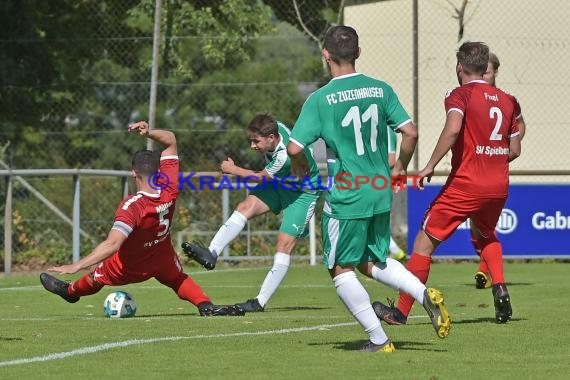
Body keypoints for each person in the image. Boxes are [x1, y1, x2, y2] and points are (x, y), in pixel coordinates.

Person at [286, 25, 451, 353]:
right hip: (379, 190)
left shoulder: (320, 99)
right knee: (369, 259)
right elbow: (411, 133)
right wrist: (401, 165)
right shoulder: (380, 89)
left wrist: (299, 167)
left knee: (338, 267)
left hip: (347, 192)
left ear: (326, 55)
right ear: (358, 53)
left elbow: (293, 148)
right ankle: (422, 294)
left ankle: (379, 340)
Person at [374, 42, 521, 325]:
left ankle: (400, 312)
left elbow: (453, 128)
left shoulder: (460, 94)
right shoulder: (507, 100)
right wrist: (491, 158)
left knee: (423, 243)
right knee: (486, 234)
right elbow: (514, 149)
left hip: (466, 185)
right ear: (485, 66)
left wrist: (429, 165)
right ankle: (499, 285)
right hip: (498, 184)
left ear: (459, 67)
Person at [39, 121, 245, 317]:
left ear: (133, 172)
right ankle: (205, 305)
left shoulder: (133, 206)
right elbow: (171, 139)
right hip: (162, 258)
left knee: (95, 273)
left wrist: (77, 265)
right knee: (177, 279)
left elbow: (113, 243)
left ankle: (70, 292)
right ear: (159, 171)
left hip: (129, 265)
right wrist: (148, 133)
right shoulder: (169, 187)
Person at [182, 113, 321, 312]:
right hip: (281, 184)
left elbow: (261, 178)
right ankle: (212, 252)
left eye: (256, 142)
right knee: (244, 207)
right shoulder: (276, 126)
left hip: (302, 194)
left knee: (283, 245)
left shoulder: (283, 156)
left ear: (271, 138)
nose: (252, 146)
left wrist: (233, 169)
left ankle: (259, 302)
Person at [473, 52, 527, 289]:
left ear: (496, 72)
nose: (485, 75)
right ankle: (486, 271)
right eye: (481, 71)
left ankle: (490, 274)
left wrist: (501, 150)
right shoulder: (485, 98)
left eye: (488, 71)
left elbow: (520, 126)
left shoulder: (506, 100)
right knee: (483, 227)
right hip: (488, 173)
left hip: (484, 173)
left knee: (481, 227)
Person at [387, 127, 407, 262]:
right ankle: (393, 250)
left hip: (377, 180)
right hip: (375, 179)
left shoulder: (386, 127)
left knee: (372, 221)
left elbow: (391, 160)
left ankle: (393, 252)